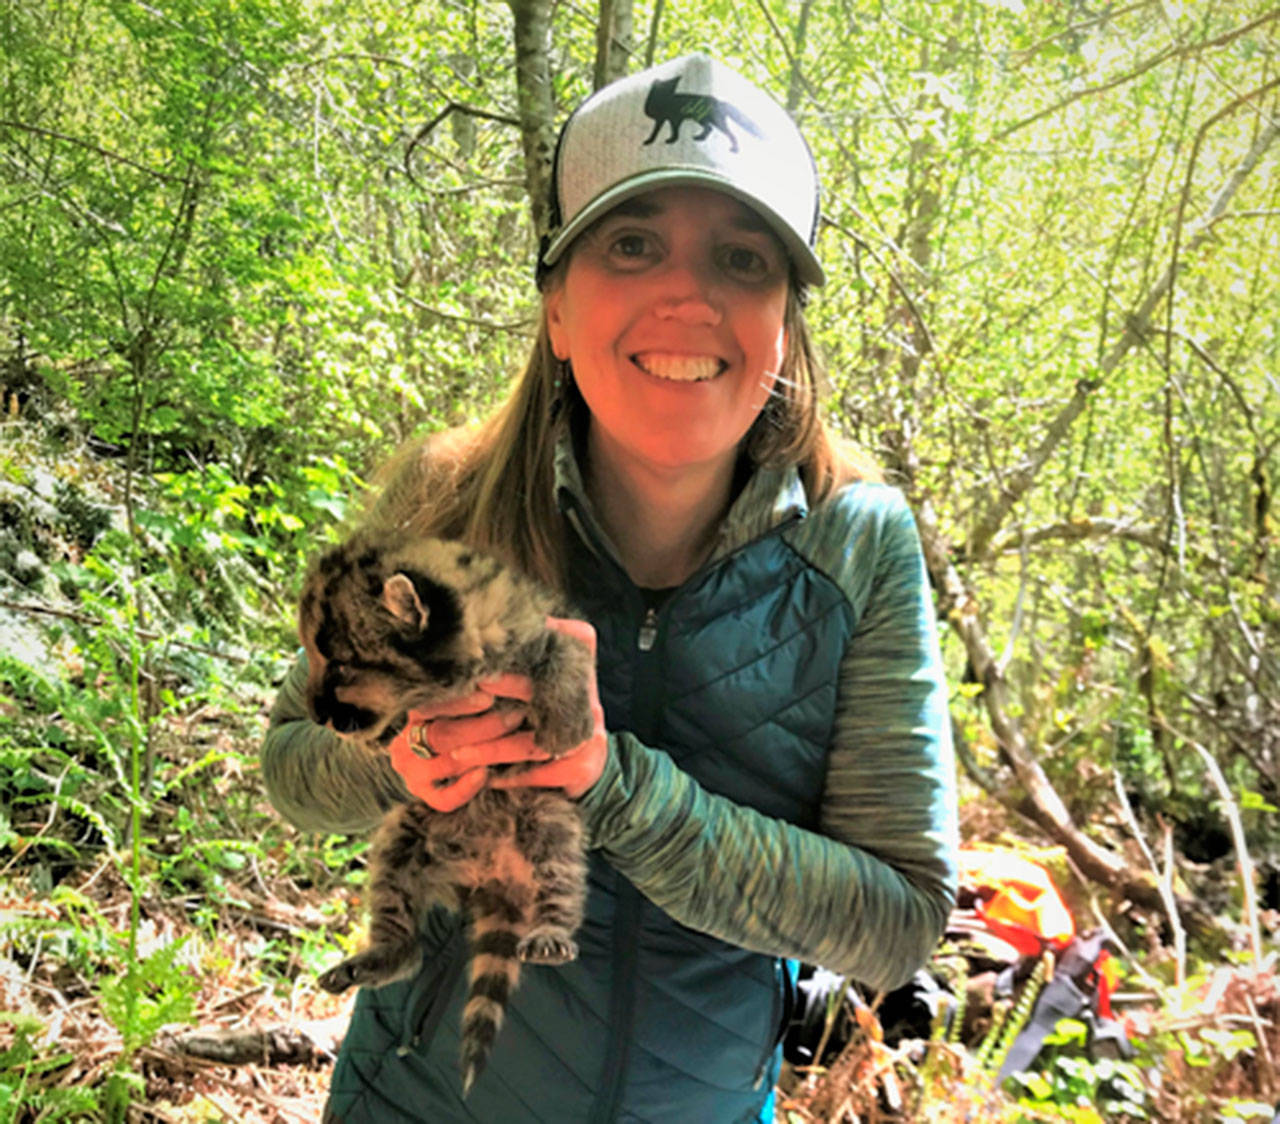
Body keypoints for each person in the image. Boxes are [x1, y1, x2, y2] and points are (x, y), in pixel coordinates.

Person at [262, 53, 958, 1124]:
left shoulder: (856, 547)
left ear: (783, 324)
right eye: (631, 244)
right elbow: (292, 767)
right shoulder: (445, 501)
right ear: (554, 306)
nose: (687, 293)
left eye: (742, 256)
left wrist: (612, 783)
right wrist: (399, 758)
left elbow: (898, 918)